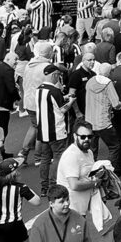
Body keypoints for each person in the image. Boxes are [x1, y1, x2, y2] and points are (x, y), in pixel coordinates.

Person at [37, 64, 75, 197]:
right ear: (54, 75)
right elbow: (63, 109)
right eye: (58, 76)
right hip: (56, 130)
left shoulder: (39, 89)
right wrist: (70, 102)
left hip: (43, 130)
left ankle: (44, 186)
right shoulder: (55, 91)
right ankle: (54, 185)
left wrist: (63, 98)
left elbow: (51, 103)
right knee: (58, 156)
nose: (58, 78)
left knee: (45, 158)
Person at [0, 158, 42, 242]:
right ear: (15, 173)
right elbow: (37, 202)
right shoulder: (21, 188)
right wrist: (27, 188)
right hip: (15, 223)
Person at [28, 184, 94, 242]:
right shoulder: (39, 225)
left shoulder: (79, 218)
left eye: (67, 199)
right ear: (51, 204)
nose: (67, 204)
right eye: (61, 202)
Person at [57, 120, 98, 215]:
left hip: (80, 208)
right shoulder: (71, 155)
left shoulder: (89, 152)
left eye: (90, 136)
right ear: (75, 136)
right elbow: (74, 185)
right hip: (69, 210)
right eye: (83, 137)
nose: (86, 139)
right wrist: (94, 183)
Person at [85, 63, 121, 161]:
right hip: (103, 122)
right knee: (114, 147)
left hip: (90, 121)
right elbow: (116, 104)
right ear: (110, 72)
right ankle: (109, 173)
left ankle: (91, 171)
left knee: (91, 150)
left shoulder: (90, 81)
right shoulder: (108, 83)